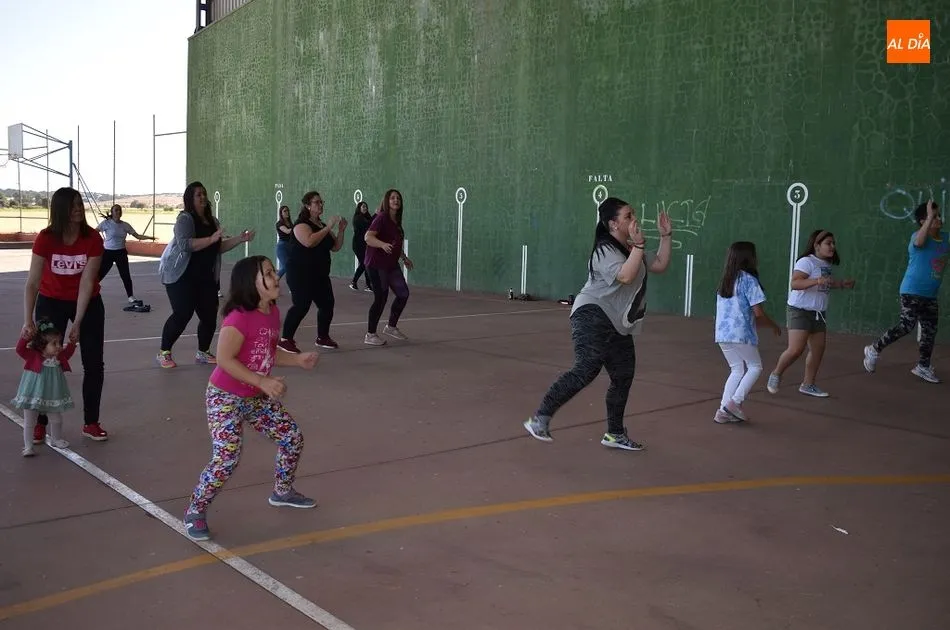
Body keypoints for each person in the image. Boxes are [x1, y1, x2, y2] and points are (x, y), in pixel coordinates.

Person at [183, 255, 319, 541]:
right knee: (227, 457)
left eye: (274, 272)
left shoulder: (272, 313)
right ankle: (195, 510)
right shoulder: (238, 318)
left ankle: (282, 491)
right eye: (268, 274)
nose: (276, 277)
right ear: (251, 284)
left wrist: (298, 360)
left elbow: (268, 352)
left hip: (255, 396)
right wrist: (262, 381)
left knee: (291, 437)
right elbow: (224, 359)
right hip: (225, 398)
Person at [523, 196, 672, 450]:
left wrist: (666, 236)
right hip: (592, 314)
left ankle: (614, 434)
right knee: (587, 367)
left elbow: (658, 264)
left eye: (633, 214)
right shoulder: (605, 250)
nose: (634, 220)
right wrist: (638, 246)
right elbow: (625, 275)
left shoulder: (630, 248)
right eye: (628, 216)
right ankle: (540, 418)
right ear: (613, 224)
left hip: (617, 323)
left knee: (623, 375)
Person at [23, 186, 109, 442]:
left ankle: (91, 422)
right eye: (72, 206)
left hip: (89, 302)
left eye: (80, 205)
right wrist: (28, 320)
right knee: (45, 361)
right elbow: (33, 282)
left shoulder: (93, 239)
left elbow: (87, 282)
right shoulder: (46, 238)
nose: (78, 210)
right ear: (60, 210)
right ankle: (40, 422)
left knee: (94, 363)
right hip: (51, 301)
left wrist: (78, 322)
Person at [156, 181, 255, 368]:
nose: (202, 197)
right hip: (181, 277)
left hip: (206, 278)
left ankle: (203, 352)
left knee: (209, 316)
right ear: (190, 199)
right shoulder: (185, 219)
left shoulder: (213, 222)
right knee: (182, 314)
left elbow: (218, 247)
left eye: (204, 193)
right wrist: (211, 239)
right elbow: (185, 245)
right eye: (198, 194)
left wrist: (240, 239)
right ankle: (164, 352)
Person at [864, 201, 946, 383]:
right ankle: (874, 349)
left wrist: (931, 216)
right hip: (911, 292)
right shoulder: (917, 236)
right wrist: (930, 216)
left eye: (939, 216)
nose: (939, 219)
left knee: (930, 331)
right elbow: (920, 242)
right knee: (906, 326)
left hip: (930, 295)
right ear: (924, 220)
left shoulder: (946, 238)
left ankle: (923, 367)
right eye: (934, 216)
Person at [767, 229, 856, 397]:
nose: (832, 247)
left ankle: (808, 384)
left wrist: (842, 284)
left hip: (819, 313)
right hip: (800, 311)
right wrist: (816, 280)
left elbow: (825, 284)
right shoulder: (806, 262)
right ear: (816, 245)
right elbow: (795, 283)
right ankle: (776, 373)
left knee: (818, 350)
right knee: (795, 350)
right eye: (828, 243)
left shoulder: (826, 264)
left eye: (833, 243)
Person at [713, 241, 781, 423]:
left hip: (722, 335)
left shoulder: (726, 281)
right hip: (741, 334)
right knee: (755, 367)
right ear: (749, 258)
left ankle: (722, 411)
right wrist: (773, 325)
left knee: (736, 369)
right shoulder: (749, 280)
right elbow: (758, 313)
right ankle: (735, 402)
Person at [277, 191, 347, 353]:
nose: (321, 205)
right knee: (301, 305)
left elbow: (335, 247)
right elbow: (309, 242)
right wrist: (329, 226)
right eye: (317, 202)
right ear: (308, 206)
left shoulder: (322, 225)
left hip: (320, 274)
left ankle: (322, 337)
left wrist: (341, 230)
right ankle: (285, 339)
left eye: (322, 202)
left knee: (327, 304)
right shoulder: (301, 225)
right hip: (300, 273)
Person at [12, 319, 75, 456]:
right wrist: (25, 337)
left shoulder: (59, 357)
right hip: (32, 393)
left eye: (59, 342)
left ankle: (56, 439)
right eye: (54, 343)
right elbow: (20, 349)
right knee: (30, 421)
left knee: (56, 418)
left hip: (52, 393)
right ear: (41, 345)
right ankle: (28, 446)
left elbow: (68, 353)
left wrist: (72, 343)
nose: (59, 346)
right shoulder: (33, 355)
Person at [363, 189, 414, 346]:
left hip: (391, 265)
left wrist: (404, 258)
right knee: (381, 298)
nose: (396, 200)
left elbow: (396, 244)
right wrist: (382, 244)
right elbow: (368, 237)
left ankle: (391, 327)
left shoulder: (396, 222)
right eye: (392, 198)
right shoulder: (382, 218)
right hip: (376, 265)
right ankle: (370, 334)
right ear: (387, 201)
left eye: (398, 198)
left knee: (403, 293)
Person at [96, 204, 155, 306]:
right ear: (112, 212)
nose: (118, 212)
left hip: (121, 253)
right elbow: (94, 232)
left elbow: (137, 236)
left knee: (125, 275)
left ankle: (131, 297)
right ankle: (89, 292)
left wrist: (149, 237)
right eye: (116, 210)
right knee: (100, 274)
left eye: (119, 210)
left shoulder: (125, 225)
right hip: (108, 253)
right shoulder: (106, 223)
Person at [349, 201, 374, 292]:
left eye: (366, 207)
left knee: (366, 263)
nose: (365, 208)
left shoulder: (367, 217)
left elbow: (372, 223)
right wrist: (376, 214)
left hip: (365, 245)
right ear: (359, 208)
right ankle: (354, 282)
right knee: (364, 263)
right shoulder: (357, 218)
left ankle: (368, 285)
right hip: (358, 245)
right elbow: (368, 225)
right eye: (363, 206)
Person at [275, 205, 293, 279]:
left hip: (291, 246)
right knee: (286, 266)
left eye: (288, 210)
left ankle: (292, 288)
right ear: (281, 213)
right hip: (282, 247)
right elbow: (287, 231)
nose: (287, 212)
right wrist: (298, 227)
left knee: (292, 267)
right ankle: (274, 281)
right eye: (285, 211)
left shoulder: (291, 224)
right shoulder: (279, 224)